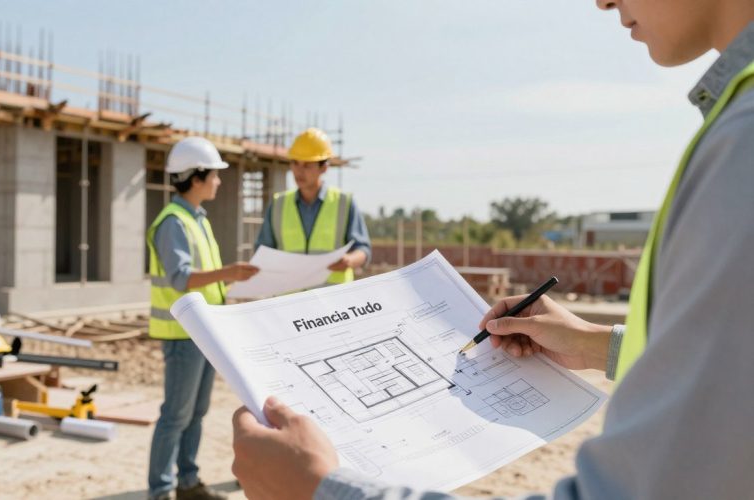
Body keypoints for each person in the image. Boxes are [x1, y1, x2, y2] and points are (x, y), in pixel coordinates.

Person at [230, 1, 754, 498]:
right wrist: (598, 345)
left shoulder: (742, 147)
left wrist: (321, 491)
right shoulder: (735, 129)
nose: (600, 2)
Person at [147, 136, 259, 500]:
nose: (219, 181)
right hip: (182, 335)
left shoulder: (197, 219)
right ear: (196, 177)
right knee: (176, 416)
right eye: (214, 174)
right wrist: (229, 273)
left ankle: (187, 482)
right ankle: (161, 491)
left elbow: (204, 278)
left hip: (204, 333)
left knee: (196, 413)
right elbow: (181, 277)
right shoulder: (173, 223)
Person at [256, 127, 371, 285]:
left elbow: (363, 249)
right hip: (290, 299)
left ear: (324, 167)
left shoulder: (344, 203)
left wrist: (350, 260)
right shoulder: (278, 205)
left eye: (307, 165)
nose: (299, 171)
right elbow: (263, 252)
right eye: (295, 163)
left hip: (332, 301)